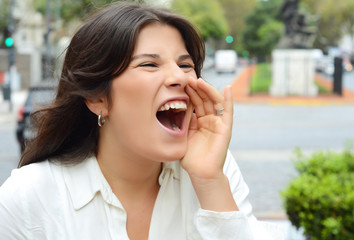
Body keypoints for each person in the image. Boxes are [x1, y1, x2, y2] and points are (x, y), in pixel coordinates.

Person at [0, 2, 284, 239]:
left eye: (185, 65)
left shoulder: (215, 170)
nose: (179, 77)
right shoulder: (29, 197)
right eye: (149, 64)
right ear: (98, 98)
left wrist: (210, 182)